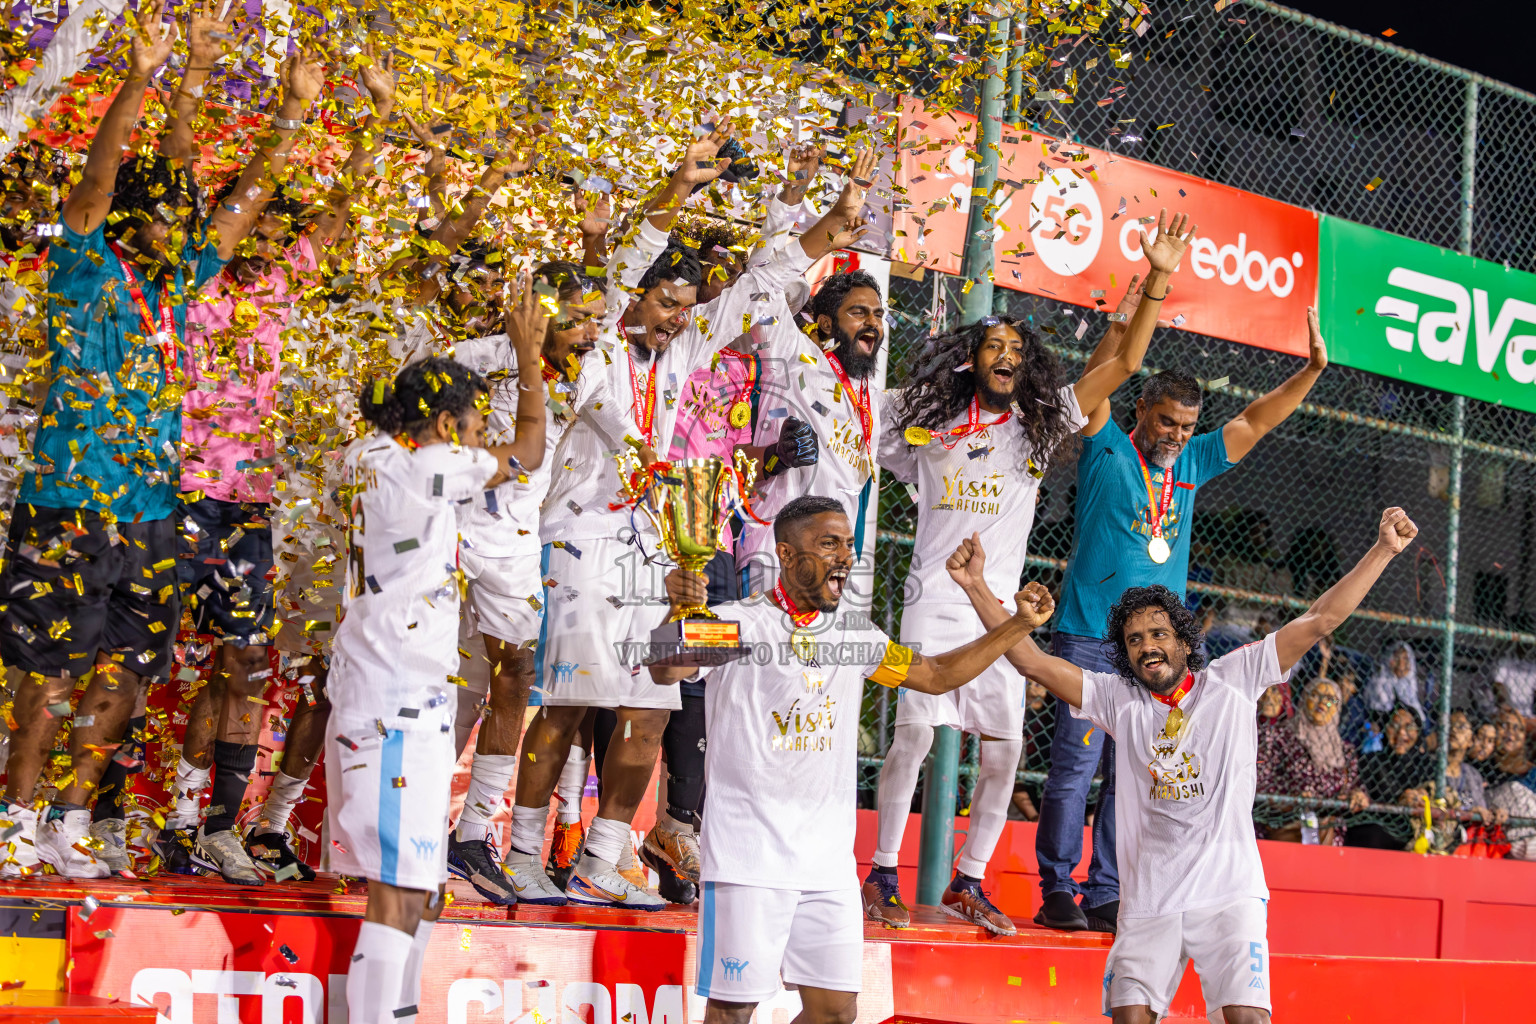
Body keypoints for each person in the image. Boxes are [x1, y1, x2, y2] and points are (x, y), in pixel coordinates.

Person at [502, 138, 870, 911]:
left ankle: (602, 858)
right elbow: (624, 268)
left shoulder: (690, 347)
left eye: (681, 306)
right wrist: (677, 183)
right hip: (580, 541)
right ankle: (521, 851)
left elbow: (765, 278)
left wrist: (829, 222)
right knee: (569, 708)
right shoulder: (602, 343)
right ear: (632, 301)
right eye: (662, 303)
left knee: (650, 708)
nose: (674, 318)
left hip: (656, 551)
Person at [0, 2, 310, 880]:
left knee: (124, 680)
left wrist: (287, 115)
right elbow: (102, 180)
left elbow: (243, 207)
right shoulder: (87, 264)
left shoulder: (183, 291)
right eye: (175, 213)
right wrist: (143, 78)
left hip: (150, 514)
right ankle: (13, 817)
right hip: (70, 504)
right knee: (49, 678)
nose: (196, 226)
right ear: (136, 219)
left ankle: (70, 821)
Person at [946, 506, 1420, 1023]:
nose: (1148, 647)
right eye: (1134, 641)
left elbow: (1320, 619)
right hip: (1150, 900)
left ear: (1183, 640)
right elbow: (1031, 661)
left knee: (1246, 1019)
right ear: (1125, 655)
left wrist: (1383, 550)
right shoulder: (1116, 698)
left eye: (1157, 634)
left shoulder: (1233, 679)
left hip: (1229, 894)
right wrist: (975, 587)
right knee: (1130, 1017)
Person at [864, 212, 1197, 934]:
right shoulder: (924, 419)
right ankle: (883, 873)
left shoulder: (1043, 426)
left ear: (1028, 364)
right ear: (971, 359)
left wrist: (1159, 277)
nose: (1005, 355)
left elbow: (1125, 364)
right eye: (993, 345)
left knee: (1006, 748)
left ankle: (970, 882)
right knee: (914, 738)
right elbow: (861, 426)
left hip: (1000, 614)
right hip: (931, 602)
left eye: (1017, 347)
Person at [648, 495, 1053, 1024]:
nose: (846, 556)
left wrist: (1015, 627)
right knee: (732, 1012)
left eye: (850, 545)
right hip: (750, 862)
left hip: (828, 866)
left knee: (837, 1013)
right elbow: (663, 668)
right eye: (829, 543)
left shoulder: (855, 636)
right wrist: (673, 612)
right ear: (787, 556)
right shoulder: (743, 626)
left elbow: (934, 676)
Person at [156, 39, 399, 887]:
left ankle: (213, 825)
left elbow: (340, 211)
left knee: (244, 663)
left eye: (275, 224)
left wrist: (377, 118)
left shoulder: (280, 286)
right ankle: (122, 819)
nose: (267, 233)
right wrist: (292, 113)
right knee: (143, 661)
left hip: (248, 502)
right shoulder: (192, 279)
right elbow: (239, 190)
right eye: (252, 217)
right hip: (173, 489)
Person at [1034, 303, 1331, 935]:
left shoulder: (1193, 464)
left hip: (1157, 651)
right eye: (1166, 420)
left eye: (1186, 424)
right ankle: (1057, 886)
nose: (1174, 434)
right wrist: (1126, 322)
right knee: (1073, 770)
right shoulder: (1106, 443)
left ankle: (1107, 889)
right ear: (1140, 410)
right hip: (1089, 632)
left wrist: (1308, 372)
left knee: (1134, 772)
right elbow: (1101, 378)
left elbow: (1255, 419)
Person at [331, 348, 543, 1024]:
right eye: (478, 426)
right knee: (397, 894)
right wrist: (529, 357)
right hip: (395, 705)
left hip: (389, 694)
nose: (486, 438)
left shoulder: (367, 453)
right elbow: (531, 450)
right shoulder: (431, 466)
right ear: (447, 424)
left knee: (418, 891)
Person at [1346, 704, 1434, 849]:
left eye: (1409, 727)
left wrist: (1421, 796)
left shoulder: (1426, 765)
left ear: (1418, 732)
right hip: (1378, 828)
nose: (1402, 733)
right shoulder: (1370, 761)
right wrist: (1400, 798)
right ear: (1385, 729)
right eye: (1395, 725)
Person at [1364, 640, 1433, 725]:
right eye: (1396, 658)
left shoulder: (1413, 685)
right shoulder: (1380, 682)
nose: (1401, 664)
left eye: (1405, 659)